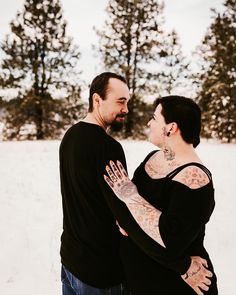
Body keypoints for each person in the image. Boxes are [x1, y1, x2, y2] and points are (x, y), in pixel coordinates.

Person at [59, 73, 212, 295]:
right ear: (97, 100)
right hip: (99, 274)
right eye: (120, 101)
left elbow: (135, 214)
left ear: (172, 128)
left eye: (127, 102)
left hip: (73, 262)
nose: (127, 109)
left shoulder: (70, 136)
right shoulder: (107, 148)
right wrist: (184, 266)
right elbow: (126, 214)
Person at [104, 95, 218, 294]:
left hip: (175, 287)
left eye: (154, 118)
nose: (149, 122)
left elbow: (168, 240)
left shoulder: (195, 178)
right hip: (141, 282)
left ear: (171, 128)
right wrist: (128, 216)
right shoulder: (154, 157)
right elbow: (126, 214)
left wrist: (131, 198)